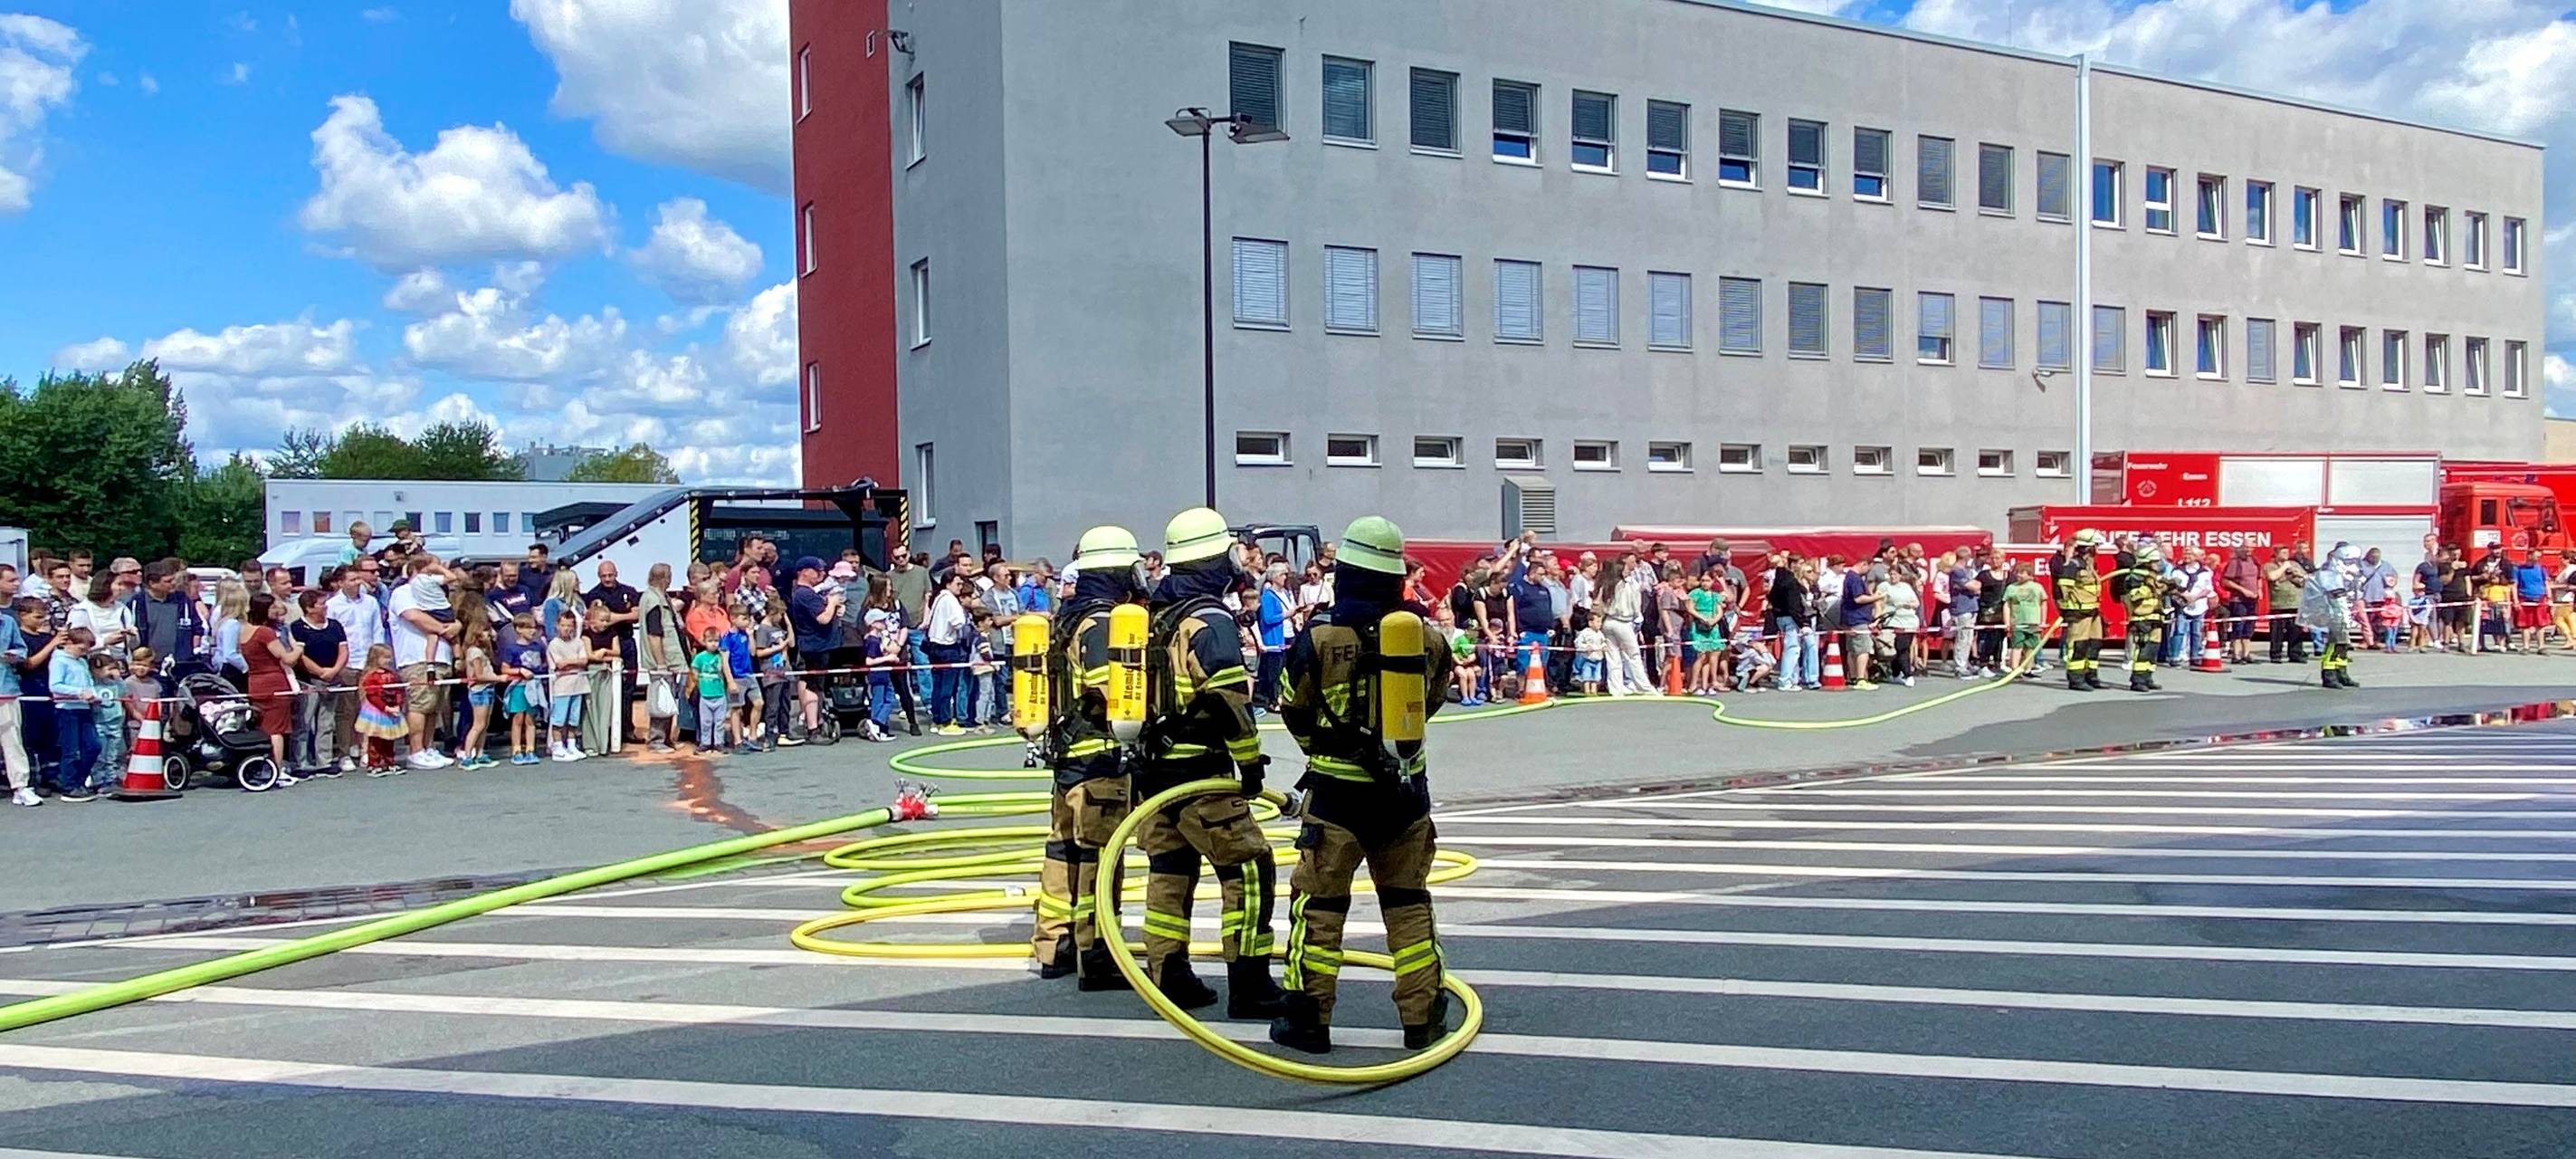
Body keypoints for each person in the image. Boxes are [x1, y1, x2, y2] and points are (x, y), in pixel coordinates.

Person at [1271, 514, 1453, 1055]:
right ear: (1396, 576)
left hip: (1337, 798)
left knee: (1320, 908)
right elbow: (1434, 698)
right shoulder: (1425, 635)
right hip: (1404, 795)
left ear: (1346, 571)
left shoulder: (1320, 634)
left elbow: (1291, 702)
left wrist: (1323, 748)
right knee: (1408, 903)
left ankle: (1307, 1017)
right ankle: (1421, 1016)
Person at [1132, 506, 1282, 1019]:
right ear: (1216, 558)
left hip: (1154, 774)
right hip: (1201, 773)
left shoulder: (1158, 614)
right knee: (1249, 868)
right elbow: (1227, 699)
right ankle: (1250, 982)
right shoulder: (1210, 620)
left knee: (1170, 870)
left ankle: (1168, 975)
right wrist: (1251, 763)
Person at [1027, 526, 1146, 986]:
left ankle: (1054, 944)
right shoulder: (1100, 624)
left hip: (1068, 759)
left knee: (1064, 854)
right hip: (1098, 760)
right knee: (1099, 859)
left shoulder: (1068, 617)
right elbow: (1105, 685)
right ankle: (1096, 952)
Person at [389, 556, 459, 770]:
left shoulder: (434, 592)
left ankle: (429, 748)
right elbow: (414, 617)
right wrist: (445, 629)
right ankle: (415, 750)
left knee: (433, 706)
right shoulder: (403, 592)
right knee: (419, 705)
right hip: (417, 658)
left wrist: (456, 625)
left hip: (441, 657)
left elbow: (451, 617)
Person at [242, 594, 304, 786]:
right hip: (274, 682)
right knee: (276, 729)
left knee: (265, 726)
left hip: (255, 681)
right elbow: (287, 659)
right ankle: (276, 770)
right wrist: (299, 648)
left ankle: (266, 767)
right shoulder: (264, 633)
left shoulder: (245, 631)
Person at [288, 589, 348, 778]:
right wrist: (320, 672)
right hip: (308, 680)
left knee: (326, 722)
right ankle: (300, 762)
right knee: (304, 722)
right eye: (321, 604)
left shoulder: (335, 626)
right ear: (309, 608)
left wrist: (334, 670)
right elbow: (300, 656)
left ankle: (325, 761)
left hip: (331, 680)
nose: (325, 607)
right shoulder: (297, 627)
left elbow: (343, 649)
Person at [786, 557, 842, 744]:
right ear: (804, 572)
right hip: (814, 646)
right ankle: (812, 728)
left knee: (816, 686)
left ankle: (816, 722)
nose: (822, 574)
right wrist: (833, 603)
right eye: (817, 571)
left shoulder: (808, 593)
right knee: (812, 685)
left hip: (819, 645)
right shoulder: (805, 594)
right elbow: (823, 619)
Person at [634, 563, 686, 754]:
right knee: (660, 698)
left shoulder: (662, 597)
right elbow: (654, 634)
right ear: (665, 578)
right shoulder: (652, 600)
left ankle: (666, 738)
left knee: (669, 698)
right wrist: (661, 662)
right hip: (661, 660)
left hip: (671, 657)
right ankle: (656, 740)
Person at [2111, 541, 2171, 693]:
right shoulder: (2135, 577)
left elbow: (2157, 592)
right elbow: (2133, 596)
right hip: (2142, 618)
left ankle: (2147, 677)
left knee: (2152, 649)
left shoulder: (2153, 576)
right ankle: (2137, 680)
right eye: (2155, 561)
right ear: (2147, 562)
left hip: (2155, 617)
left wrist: (2168, 587)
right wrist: (2148, 589)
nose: (2159, 564)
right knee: (2143, 649)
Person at [2051, 530, 2107, 691]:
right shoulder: (2073, 564)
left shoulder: (2090, 565)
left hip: (2092, 611)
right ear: (2089, 547)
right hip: (2079, 613)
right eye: (2096, 546)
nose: (2098, 549)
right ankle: (2076, 678)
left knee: (2095, 643)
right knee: (2078, 645)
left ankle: (2091, 675)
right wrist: (2068, 609)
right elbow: (2063, 587)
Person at [2302, 545, 2362, 688]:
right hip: (2333, 612)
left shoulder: (2347, 572)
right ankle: (2328, 673)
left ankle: (2341, 672)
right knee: (2333, 644)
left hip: (2344, 613)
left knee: (2343, 645)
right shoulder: (2327, 573)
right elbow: (2331, 593)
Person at [455, 618, 502, 769]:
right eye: (485, 631)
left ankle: (480, 753)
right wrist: (499, 678)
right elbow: (478, 675)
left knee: (485, 724)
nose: (488, 634)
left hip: (488, 688)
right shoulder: (474, 651)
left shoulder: (482, 651)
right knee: (478, 724)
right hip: (479, 690)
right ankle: (467, 756)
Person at [354, 644, 407, 776]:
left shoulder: (393, 675)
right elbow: (373, 695)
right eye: (385, 657)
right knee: (376, 739)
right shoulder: (371, 676)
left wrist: (398, 704)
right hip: (377, 711)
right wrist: (385, 707)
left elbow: (399, 690)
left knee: (389, 738)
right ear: (375, 658)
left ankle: (389, 762)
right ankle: (374, 763)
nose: (388, 660)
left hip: (392, 709)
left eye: (390, 657)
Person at [546, 610, 591, 762]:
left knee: (573, 719)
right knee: (559, 719)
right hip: (562, 687)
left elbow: (584, 660)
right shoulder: (554, 644)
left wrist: (570, 663)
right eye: (563, 625)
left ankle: (571, 745)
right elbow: (560, 664)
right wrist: (574, 662)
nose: (566, 628)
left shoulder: (579, 642)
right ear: (557, 626)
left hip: (578, 685)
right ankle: (558, 747)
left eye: (569, 625)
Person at [501, 614, 545, 765]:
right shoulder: (512, 648)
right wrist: (520, 671)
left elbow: (542, 664)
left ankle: (531, 749)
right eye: (528, 628)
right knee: (518, 718)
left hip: (534, 686)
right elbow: (505, 669)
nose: (533, 631)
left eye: (534, 628)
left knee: (531, 718)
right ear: (518, 629)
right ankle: (517, 749)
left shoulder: (538, 646)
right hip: (519, 686)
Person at [2162, 547, 2214, 668]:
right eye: (2185, 554)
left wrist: (2195, 597)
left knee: (2196, 632)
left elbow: (2208, 588)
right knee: (2179, 631)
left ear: (2196, 557)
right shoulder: (2177, 571)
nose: (2187, 556)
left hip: (2199, 606)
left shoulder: (2205, 572)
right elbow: (2172, 587)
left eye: (2190, 554)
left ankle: (2195, 657)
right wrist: (2184, 596)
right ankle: (2174, 657)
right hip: (2182, 606)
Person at [1839, 557, 1882, 690]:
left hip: (1850, 619)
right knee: (1863, 650)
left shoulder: (1849, 577)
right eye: (1868, 567)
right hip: (1858, 619)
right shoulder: (1855, 578)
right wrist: (1876, 597)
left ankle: (1853, 677)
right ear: (1864, 564)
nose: (1868, 571)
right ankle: (1861, 679)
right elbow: (1858, 598)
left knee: (1852, 650)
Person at [2264, 547, 2310, 663]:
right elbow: (2272, 577)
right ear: (2276, 553)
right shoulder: (2270, 565)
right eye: (2283, 552)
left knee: (2296, 631)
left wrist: (2296, 574)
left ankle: (2295, 654)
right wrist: (2284, 567)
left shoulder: (2294, 564)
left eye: (2287, 552)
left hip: (2295, 602)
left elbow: (2306, 578)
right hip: (2278, 604)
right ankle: (2276, 655)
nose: (2286, 554)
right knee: (2277, 632)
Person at [692, 627, 734, 754]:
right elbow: (694, 670)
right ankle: (705, 743)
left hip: (720, 694)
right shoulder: (700, 657)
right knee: (706, 722)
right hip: (705, 695)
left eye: (716, 641)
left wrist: (723, 657)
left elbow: (725, 670)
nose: (714, 644)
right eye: (710, 641)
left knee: (719, 721)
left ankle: (718, 743)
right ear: (704, 642)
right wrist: (698, 682)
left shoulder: (721, 656)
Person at [1879, 563, 1922, 687]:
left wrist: (1909, 605)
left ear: (1900, 575)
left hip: (1910, 622)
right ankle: (1908, 674)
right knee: (1900, 648)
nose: (1893, 577)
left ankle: (1896, 674)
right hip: (1893, 621)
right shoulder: (1884, 586)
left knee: (1903, 648)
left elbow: (1916, 603)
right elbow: (1879, 602)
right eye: (1890, 574)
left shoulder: (1906, 587)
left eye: (1895, 574)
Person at [2003, 561, 2048, 678]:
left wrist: (2043, 621)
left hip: (2033, 622)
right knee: (2017, 646)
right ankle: (2015, 669)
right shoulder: (2011, 588)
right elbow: (2007, 605)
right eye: (2017, 572)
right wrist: (2007, 622)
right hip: (2018, 622)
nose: (2018, 575)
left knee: (2031, 647)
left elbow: (2043, 603)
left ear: (2030, 575)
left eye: (2021, 573)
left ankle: (2028, 669)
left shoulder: (2037, 587)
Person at [1688, 570, 1729, 695]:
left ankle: (1708, 684)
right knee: (1701, 655)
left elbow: (1720, 610)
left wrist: (1714, 620)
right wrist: (1702, 618)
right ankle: (1693, 684)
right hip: (1700, 624)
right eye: (1703, 580)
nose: (1705, 583)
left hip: (1713, 626)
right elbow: (1690, 608)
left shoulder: (1715, 595)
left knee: (1712, 655)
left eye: (1708, 581)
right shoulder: (1695, 593)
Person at [2221, 546, 2264, 664]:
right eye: (2246, 548)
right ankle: (2236, 655)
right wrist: (2243, 590)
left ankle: (2246, 654)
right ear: (2239, 549)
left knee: (2249, 627)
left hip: (2253, 600)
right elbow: (2226, 581)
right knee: (2238, 626)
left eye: (2250, 548)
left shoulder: (2254, 561)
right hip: (2238, 600)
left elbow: (2259, 577)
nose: (2248, 550)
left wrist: (2259, 589)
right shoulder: (2234, 563)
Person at [2514, 551, 2552, 654]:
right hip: (2524, 599)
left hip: (2540, 599)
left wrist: (2549, 598)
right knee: (2525, 625)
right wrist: (2516, 601)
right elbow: (2514, 586)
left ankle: (2541, 647)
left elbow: (2546, 584)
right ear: (2529, 556)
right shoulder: (2518, 569)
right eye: (2536, 556)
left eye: (2540, 557)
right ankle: (2526, 647)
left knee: (2541, 625)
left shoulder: (2542, 569)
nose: (2538, 558)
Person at [1571, 619, 1606, 694]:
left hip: (1598, 659)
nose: (1600, 624)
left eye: (1600, 622)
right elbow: (1578, 643)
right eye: (1598, 622)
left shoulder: (1600, 634)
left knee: (1596, 677)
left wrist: (1604, 647)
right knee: (1587, 676)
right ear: (1590, 623)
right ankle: (1587, 690)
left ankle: (1594, 691)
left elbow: (1603, 642)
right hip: (1588, 659)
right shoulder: (1585, 633)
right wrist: (1586, 647)